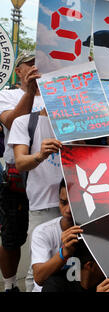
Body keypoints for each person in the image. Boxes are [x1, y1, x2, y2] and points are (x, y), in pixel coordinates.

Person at [0, 51, 44, 292]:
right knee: (12, 236)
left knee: (47, 231)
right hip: (18, 176)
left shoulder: (52, 94)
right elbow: (11, 121)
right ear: (18, 70)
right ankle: (9, 286)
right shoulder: (7, 95)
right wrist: (29, 91)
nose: (36, 67)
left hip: (49, 175)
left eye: (40, 63)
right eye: (30, 64)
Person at [9, 106, 63, 291]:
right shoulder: (24, 122)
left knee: (76, 264)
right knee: (38, 268)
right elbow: (20, 162)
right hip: (43, 206)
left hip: (79, 203)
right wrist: (40, 156)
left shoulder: (85, 119)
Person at [30, 179, 82, 291]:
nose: (67, 210)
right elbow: (39, 277)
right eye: (63, 202)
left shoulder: (92, 230)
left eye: (74, 204)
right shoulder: (43, 232)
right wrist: (64, 253)